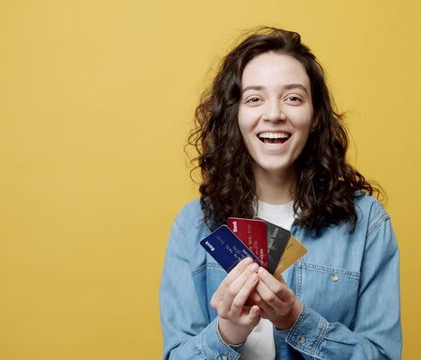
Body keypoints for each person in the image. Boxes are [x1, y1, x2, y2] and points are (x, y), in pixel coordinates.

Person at [159, 27, 402, 360]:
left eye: (293, 98)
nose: (273, 114)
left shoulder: (365, 223)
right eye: (255, 98)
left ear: (315, 116)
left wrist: (295, 321)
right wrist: (226, 334)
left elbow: (383, 356)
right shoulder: (194, 225)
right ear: (236, 115)